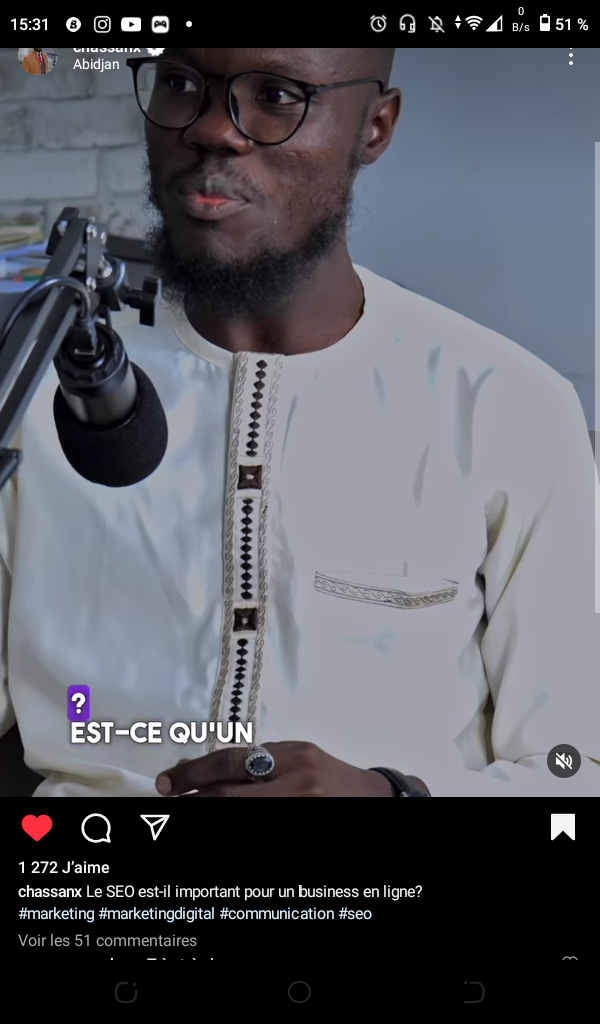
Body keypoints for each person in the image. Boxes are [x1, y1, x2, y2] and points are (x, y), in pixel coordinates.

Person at [0, 47, 598, 797]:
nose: (213, 129)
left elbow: (575, 765)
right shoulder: (31, 384)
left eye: (278, 96)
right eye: (181, 84)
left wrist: (392, 795)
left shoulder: (513, 408)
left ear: (375, 127)